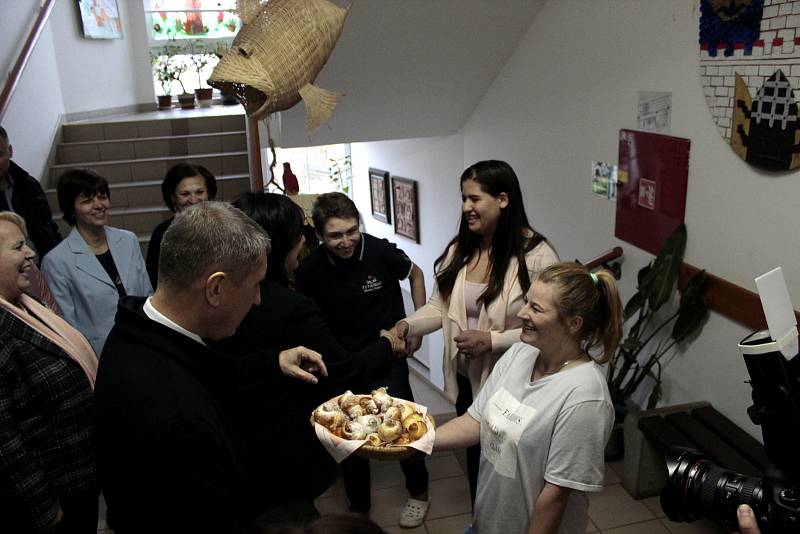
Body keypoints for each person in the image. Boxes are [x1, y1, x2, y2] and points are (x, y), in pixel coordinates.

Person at [93, 201, 329, 533]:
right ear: (215, 288)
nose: (258, 299)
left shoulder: (138, 326)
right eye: (255, 284)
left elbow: (205, 370)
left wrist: (271, 361)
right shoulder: (177, 419)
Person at [215, 192, 404, 516]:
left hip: (233, 448)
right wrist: (389, 343)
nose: (303, 241)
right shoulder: (292, 304)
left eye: (351, 231)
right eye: (297, 236)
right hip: (282, 448)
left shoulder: (220, 295)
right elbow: (343, 371)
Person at [389, 159, 559, 504]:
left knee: (510, 473)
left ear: (503, 199)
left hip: (515, 387)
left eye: (474, 199)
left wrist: (492, 341)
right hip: (470, 383)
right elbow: (439, 307)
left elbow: (549, 326)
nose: (466, 207)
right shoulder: (460, 251)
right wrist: (407, 324)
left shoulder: (537, 256)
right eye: (463, 199)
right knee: (478, 470)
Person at [433, 262, 622, 534]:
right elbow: (475, 421)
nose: (522, 313)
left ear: (573, 324)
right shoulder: (520, 353)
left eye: (536, 308)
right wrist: (418, 441)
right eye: (526, 303)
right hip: (485, 525)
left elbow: (554, 496)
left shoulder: (585, 398)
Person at [295, 192, 430, 527]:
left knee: (404, 430)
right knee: (350, 438)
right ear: (320, 236)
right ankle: (359, 506)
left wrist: (417, 326)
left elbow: (416, 274)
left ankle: (419, 492)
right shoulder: (311, 269)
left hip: (388, 357)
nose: (346, 242)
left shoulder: (379, 250)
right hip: (343, 363)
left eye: (351, 231)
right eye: (335, 235)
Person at [0, 211, 99, 533]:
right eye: (18, 247)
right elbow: (3, 437)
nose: (30, 252)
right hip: (52, 500)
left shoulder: (25, 303)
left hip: (77, 481)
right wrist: (42, 506)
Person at [41, 169, 152, 356]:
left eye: (102, 197)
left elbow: (148, 294)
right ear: (71, 209)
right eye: (87, 201)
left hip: (145, 343)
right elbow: (67, 325)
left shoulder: (128, 240)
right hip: (100, 355)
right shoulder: (56, 261)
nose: (99, 205)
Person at [145, 162, 217, 288]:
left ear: (209, 193)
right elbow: (154, 278)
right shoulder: (161, 233)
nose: (194, 200)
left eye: (200, 192)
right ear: (172, 197)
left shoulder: (224, 227)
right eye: (185, 194)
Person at [0, 126, 62, 260]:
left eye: (0, 154)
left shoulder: (28, 184)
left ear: (10, 151)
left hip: (43, 263)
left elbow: (48, 226)